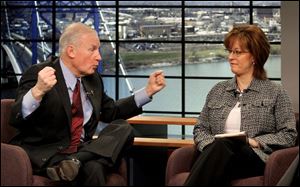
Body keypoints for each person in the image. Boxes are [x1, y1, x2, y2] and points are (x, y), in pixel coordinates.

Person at [9, 22, 166, 186]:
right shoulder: (39, 73)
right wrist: (38, 91)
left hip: (80, 150)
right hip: (48, 154)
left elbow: (111, 112)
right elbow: (16, 117)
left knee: (123, 128)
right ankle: (79, 160)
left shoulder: (93, 80)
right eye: (92, 49)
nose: (99, 56)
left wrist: (148, 91)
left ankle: (76, 160)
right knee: (94, 167)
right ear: (71, 51)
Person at [184, 24, 297, 186]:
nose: (231, 57)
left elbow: (289, 135)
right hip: (218, 156)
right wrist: (212, 147)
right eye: (230, 51)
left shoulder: (276, 93)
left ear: (254, 57)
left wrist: (254, 142)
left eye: (237, 52)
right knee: (222, 146)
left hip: (253, 159)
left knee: (225, 145)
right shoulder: (218, 90)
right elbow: (200, 128)